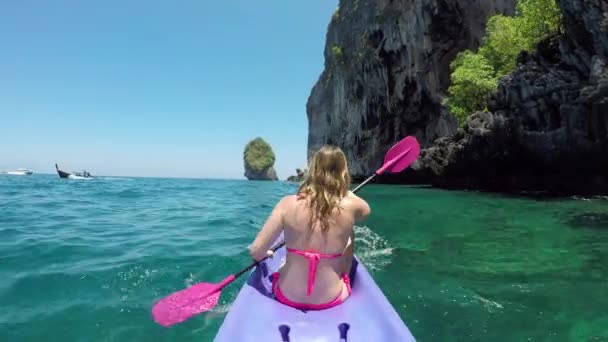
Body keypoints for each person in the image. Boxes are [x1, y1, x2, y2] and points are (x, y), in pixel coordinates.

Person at [248, 145, 371, 310]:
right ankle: (344, 274)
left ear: (313, 170)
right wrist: (345, 193)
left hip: (286, 295)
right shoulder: (351, 205)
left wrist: (266, 252)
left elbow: (256, 251)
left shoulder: (287, 203)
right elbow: (365, 212)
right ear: (343, 172)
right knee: (350, 234)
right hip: (332, 298)